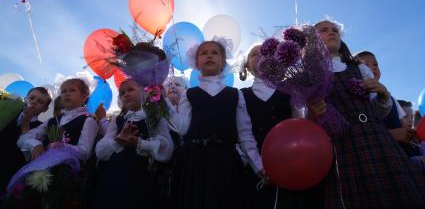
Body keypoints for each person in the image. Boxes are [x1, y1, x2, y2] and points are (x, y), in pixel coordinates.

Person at [308, 20, 425, 208]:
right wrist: (312, 114)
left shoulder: (359, 68)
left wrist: (383, 94)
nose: (332, 33)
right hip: (341, 147)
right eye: (324, 30)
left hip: (378, 141)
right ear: (313, 40)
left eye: (335, 30)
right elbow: (304, 121)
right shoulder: (310, 75)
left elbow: (379, 111)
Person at [168, 40, 263, 209]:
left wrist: (258, 166)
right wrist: (162, 104)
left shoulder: (235, 94)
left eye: (215, 52)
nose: (209, 55)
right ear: (196, 63)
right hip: (193, 165)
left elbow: (245, 135)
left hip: (226, 163)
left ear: (223, 61)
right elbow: (183, 128)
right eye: (203, 53)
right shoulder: (189, 94)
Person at [239, 44, 322, 209]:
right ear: (247, 66)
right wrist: (260, 166)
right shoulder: (241, 95)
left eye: (265, 52)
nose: (261, 56)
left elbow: (300, 124)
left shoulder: (289, 90)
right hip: (261, 172)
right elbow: (244, 134)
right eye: (254, 54)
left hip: (293, 164)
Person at [11, 78, 98, 209]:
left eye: (72, 90)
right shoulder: (52, 120)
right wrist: (35, 144)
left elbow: (84, 152)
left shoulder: (88, 121)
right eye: (63, 91)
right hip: (37, 173)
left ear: (84, 96)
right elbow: (23, 139)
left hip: (63, 180)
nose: (66, 94)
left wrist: (62, 147)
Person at [92, 79, 173, 209]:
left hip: (141, 178)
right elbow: (100, 151)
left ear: (143, 92)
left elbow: (166, 149)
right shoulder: (119, 120)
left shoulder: (154, 116)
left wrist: (139, 144)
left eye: (131, 90)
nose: (126, 94)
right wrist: (117, 141)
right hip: (114, 177)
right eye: (122, 93)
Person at [0, 87, 51, 198]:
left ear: (45, 109)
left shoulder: (41, 128)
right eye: (32, 98)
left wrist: (26, 123)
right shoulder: (8, 112)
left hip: (7, 173)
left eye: (40, 102)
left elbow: (28, 154)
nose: (34, 102)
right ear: (26, 98)